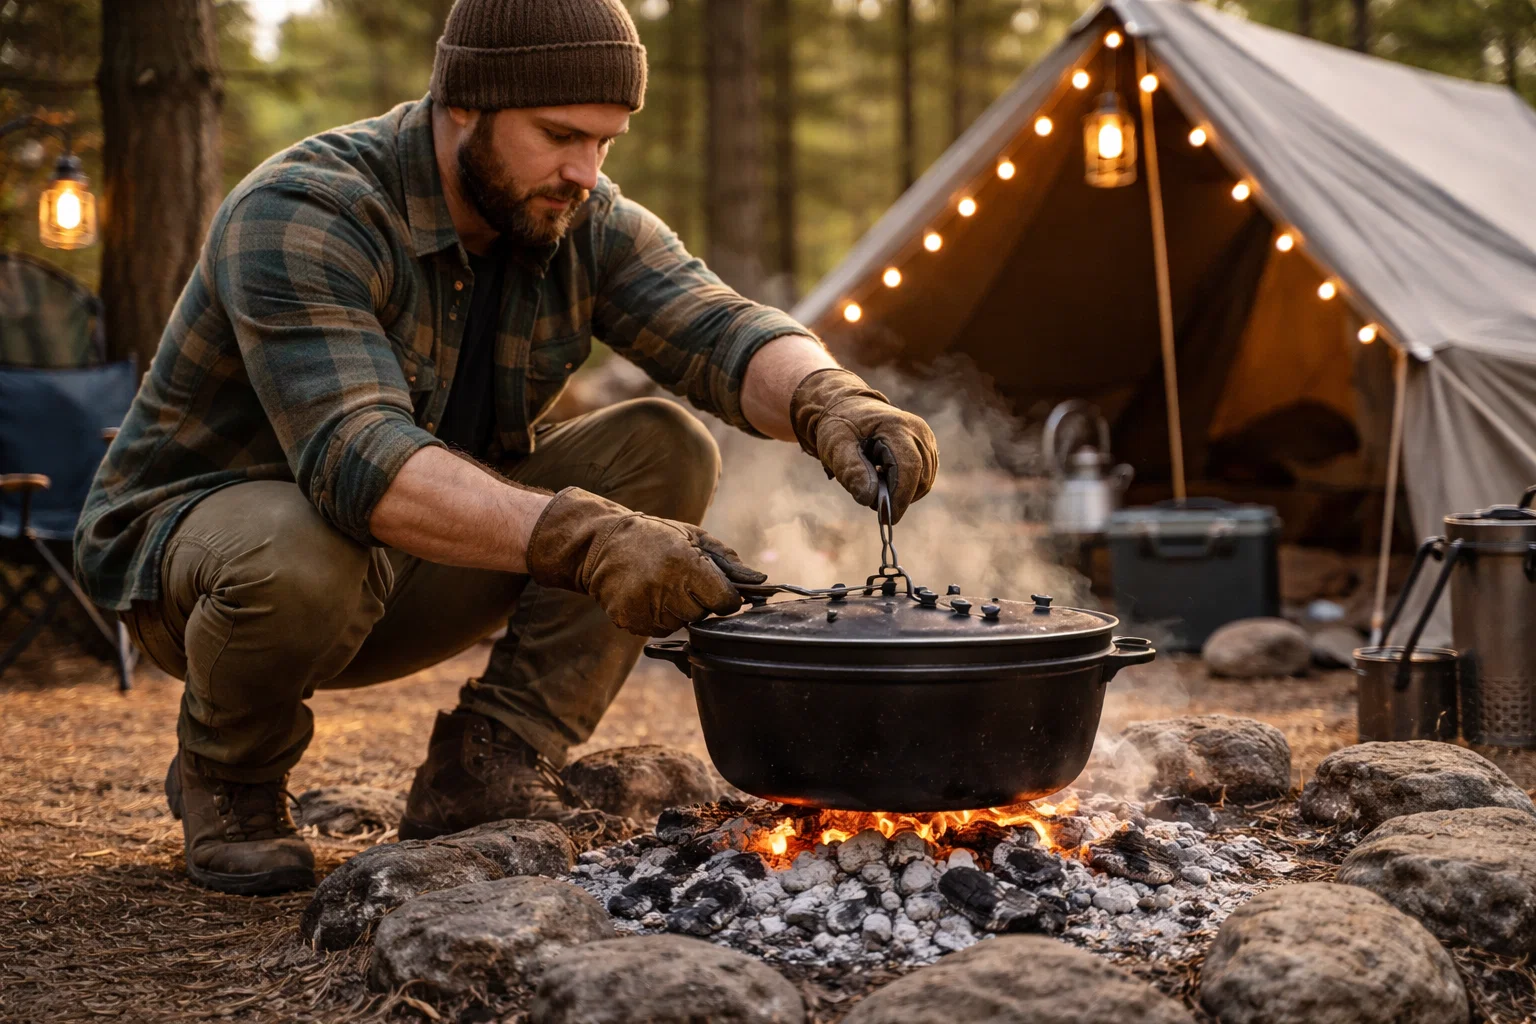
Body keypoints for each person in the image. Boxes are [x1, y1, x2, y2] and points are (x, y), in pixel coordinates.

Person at [75, 0, 939, 896]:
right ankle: (232, 775)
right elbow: (359, 460)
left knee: (664, 445)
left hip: (403, 561)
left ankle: (489, 764)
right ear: (463, 106)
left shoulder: (572, 212)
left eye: (606, 142)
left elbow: (719, 329)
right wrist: (594, 539)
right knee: (301, 548)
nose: (585, 171)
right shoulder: (307, 209)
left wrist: (830, 399)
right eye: (560, 135)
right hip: (215, 572)